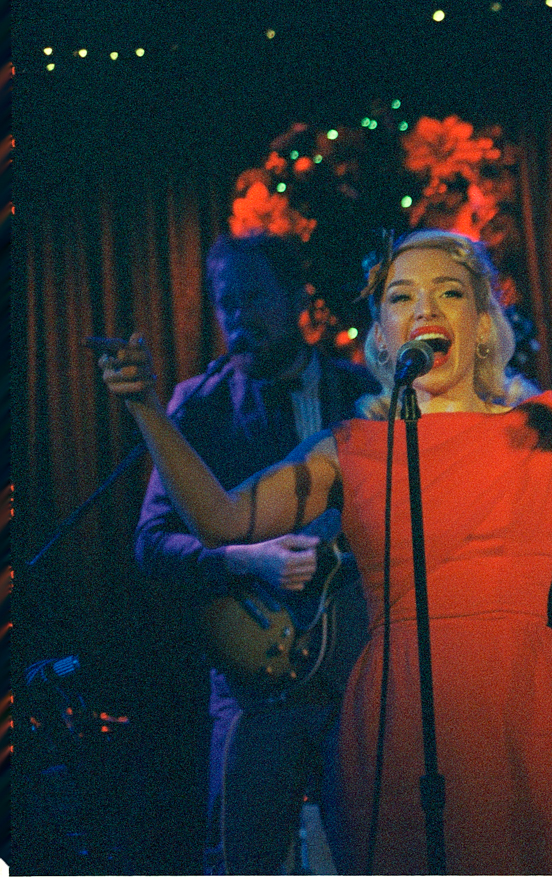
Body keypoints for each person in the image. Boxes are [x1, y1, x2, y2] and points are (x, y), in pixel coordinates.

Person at [102, 228, 552, 875]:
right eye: (401, 297)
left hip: (526, 706)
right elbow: (221, 521)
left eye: (450, 292)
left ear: (482, 324)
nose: (425, 309)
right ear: (383, 338)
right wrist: (146, 409)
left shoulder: (544, 424)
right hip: (395, 720)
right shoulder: (348, 449)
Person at [134, 232, 379, 874]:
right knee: (244, 859)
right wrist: (247, 558)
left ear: (297, 297)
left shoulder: (363, 394)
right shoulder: (198, 405)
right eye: (227, 303)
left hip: (358, 669)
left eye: (254, 298)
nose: (239, 318)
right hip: (252, 676)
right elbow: (152, 544)